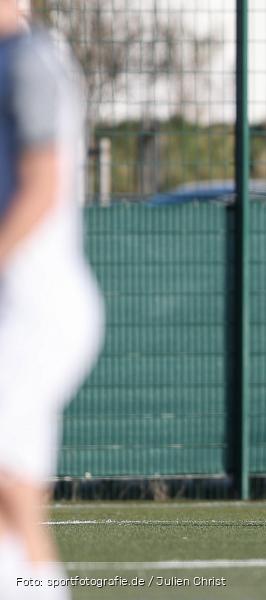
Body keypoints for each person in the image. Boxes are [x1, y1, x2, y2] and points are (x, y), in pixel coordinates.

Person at [0, 1, 103, 597]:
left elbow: (42, 186)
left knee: (10, 487)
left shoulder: (31, 59)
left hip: (31, 311)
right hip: (20, 308)